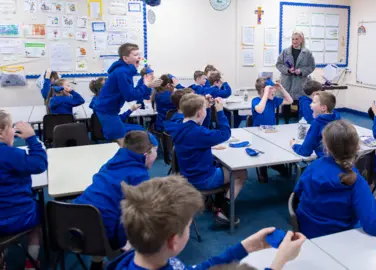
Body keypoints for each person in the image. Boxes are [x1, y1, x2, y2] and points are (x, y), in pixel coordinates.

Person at [105, 176, 307, 270]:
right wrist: (280, 261)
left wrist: (246, 246)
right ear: (173, 241)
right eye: (188, 226)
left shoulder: (141, 258)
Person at [294, 119, 376, 239]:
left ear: (326, 146)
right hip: (337, 239)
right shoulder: (356, 182)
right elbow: (374, 225)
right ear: (357, 147)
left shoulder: (313, 167)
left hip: (306, 232)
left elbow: (297, 194)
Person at [73, 130, 158, 270]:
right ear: (146, 155)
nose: (156, 156)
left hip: (72, 220)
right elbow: (133, 215)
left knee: (104, 209)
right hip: (102, 233)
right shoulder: (139, 176)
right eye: (155, 151)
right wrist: (124, 241)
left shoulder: (112, 163)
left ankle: (96, 264)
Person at [165, 94, 246, 225]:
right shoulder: (197, 133)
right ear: (200, 112)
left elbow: (202, 128)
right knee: (241, 172)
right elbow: (225, 134)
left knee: (221, 164)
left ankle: (218, 202)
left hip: (187, 174)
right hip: (202, 179)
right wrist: (220, 111)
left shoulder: (179, 126)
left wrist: (206, 110)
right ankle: (225, 212)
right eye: (204, 108)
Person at [0, 111, 47, 270]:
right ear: (1, 133)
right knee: (37, 224)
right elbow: (39, 164)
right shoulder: (11, 155)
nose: (13, 131)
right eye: (11, 127)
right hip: (20, 217)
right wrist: (32, 139)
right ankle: (31, 263)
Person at [93, 43, 162, 144]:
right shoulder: (122, 72)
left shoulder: (125, 71)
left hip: (110, 111)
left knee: (119, 140)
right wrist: (146, 85)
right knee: (120, 140)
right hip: (107, 111)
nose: (139, 57)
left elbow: (134, 92)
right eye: (135, 55)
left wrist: (147, 85)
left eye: (139, 54)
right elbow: (130, 96)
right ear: (125, 59)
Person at [276, 31, 316, 124]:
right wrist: (288, 70)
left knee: (299, 103)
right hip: (287, 82)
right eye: (293, 39)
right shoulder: (285, 52)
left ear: (301, 40)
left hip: (300, 83)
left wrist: (301, 71)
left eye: (297, 39)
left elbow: (312, 67)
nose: (294, 41)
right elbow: (278, 64)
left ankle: (300, 123)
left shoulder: (307, 53)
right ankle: (286, 123)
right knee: (286, 103)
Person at [290, 91, 340, 158]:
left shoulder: (317, 123)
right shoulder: (338, 120)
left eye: (313, 102)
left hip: (326, 161)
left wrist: (294, 145)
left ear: (323, 108)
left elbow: (305, 151)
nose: (310, 104)